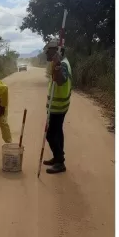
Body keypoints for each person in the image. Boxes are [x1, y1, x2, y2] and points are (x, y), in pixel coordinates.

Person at [42, 38, 72, 174]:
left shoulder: (63, 65)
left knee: (50, 134)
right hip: (59, 105)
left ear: (56, 51)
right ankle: (57, 157)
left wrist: (58, 67)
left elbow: (60, 81)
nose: (46, 54)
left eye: (49, 51)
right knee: (58, 132)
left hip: (58, 107)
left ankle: (60, 162)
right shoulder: (61, 63)